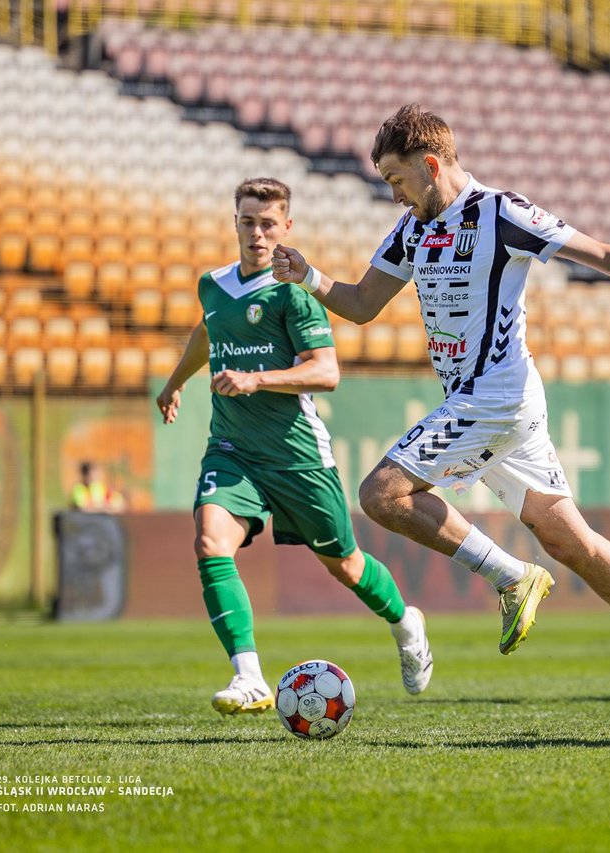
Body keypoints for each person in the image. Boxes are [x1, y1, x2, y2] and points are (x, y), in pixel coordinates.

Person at [272, 104, 610, 733]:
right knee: (569, 540)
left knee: (382, 494)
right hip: (489, 402)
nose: (394, 194)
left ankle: (513, 577)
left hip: (496, 396)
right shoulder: (411, 229)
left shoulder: (502, 214)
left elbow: (601, 254)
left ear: (432, 166)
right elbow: (363, 303)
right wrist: (309, 276)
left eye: (398, 179)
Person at [156, 177, 432, 717]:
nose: (257, 233)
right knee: (211, 542)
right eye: (247, 222)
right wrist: (175, 383)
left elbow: (326, 373)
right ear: (235, 224)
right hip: (232, 449)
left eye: (267, 223)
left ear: (286, 227)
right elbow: (208, 333)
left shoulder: (293, 295)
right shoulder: (213, 285)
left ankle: (406, 623)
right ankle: (249, 677)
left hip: (297, 456)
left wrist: (256, 380)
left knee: (345, 565)